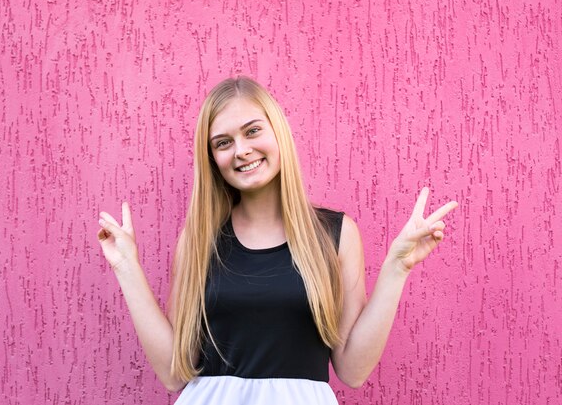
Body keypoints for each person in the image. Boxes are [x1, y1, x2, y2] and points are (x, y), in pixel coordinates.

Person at [96, 76, 458, 404]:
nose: (241, 150)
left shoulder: (335, 234)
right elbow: (175, 373)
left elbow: (352, 370)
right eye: (223, 142)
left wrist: (397, 268)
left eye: (252, 131)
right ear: (212, 159)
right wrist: (127, 267)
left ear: (277, 133)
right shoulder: (199, 239)